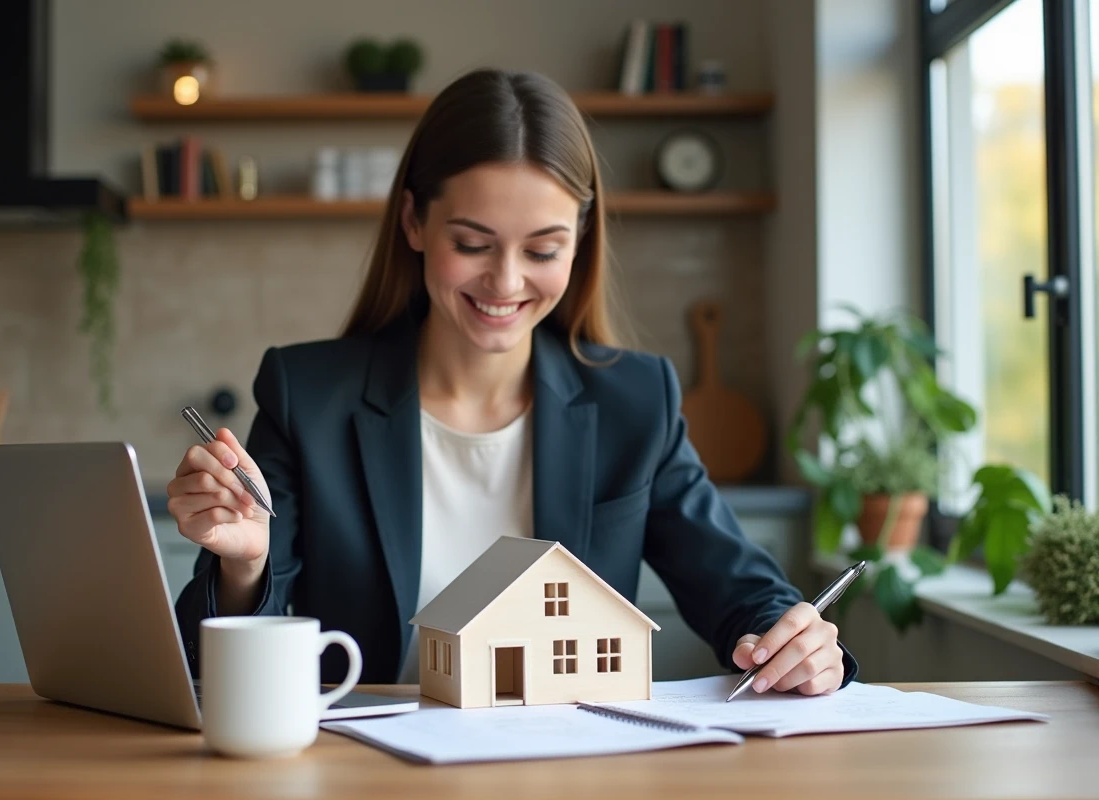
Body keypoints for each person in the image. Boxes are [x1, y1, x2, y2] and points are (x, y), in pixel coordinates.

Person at [170, 68, 857, 694]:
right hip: (364, 776)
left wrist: (796, 640)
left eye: (543, 249)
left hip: (564, 769)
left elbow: (740, 588)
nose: (504, 282)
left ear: (581, 239)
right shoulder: (307, 395)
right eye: (472, 244)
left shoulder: (635, 402)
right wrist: (244, 564)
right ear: (413, 220)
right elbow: (208, 661)